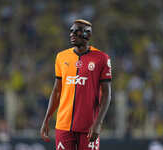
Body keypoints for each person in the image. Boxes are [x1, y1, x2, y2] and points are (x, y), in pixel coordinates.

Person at [40, 19, 112, 150]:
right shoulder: (61, 57)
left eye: (77, 31)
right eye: (71, 31)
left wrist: (98, 123)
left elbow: (107, 94)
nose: (72, 34)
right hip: (63, 125)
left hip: (89, 126)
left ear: (87, 35)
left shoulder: (101, 58)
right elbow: (56, 91)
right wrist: (47, 118)